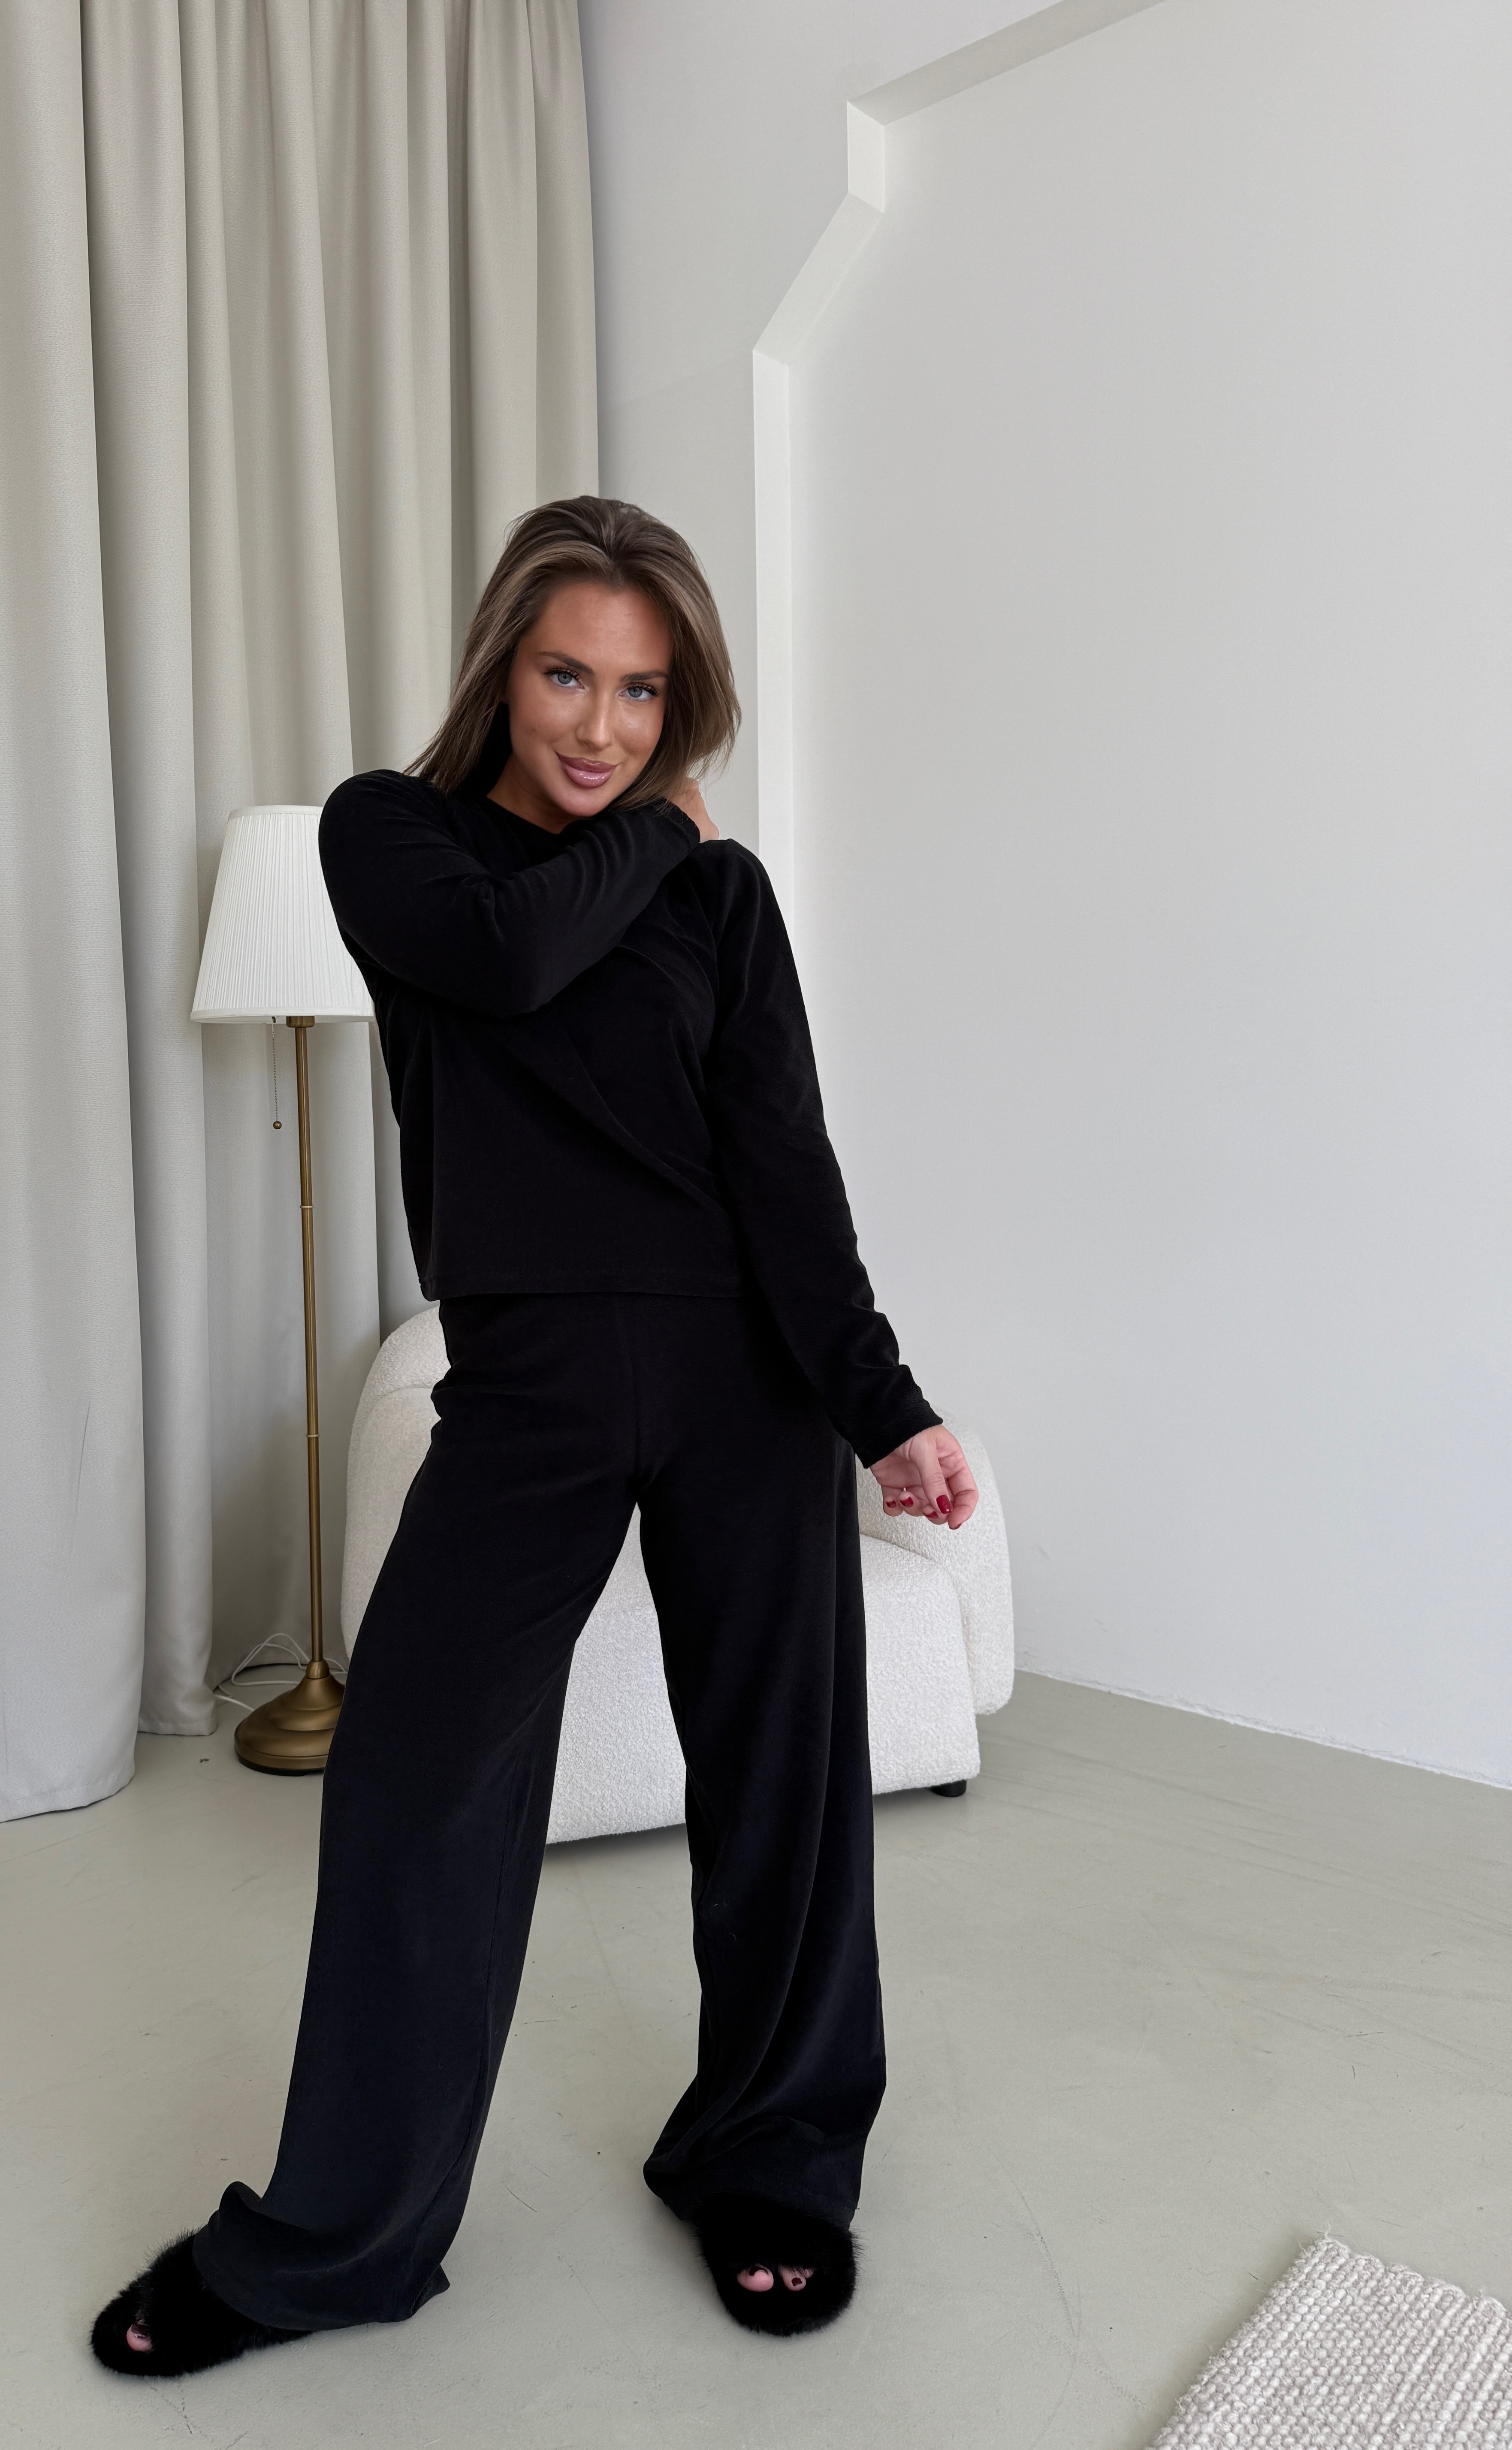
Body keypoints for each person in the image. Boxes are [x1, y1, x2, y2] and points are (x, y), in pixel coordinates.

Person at [92, 497, 977, 2378]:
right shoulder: (389, 839)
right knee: (416, 1791)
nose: (604, 726)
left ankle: (771, 2157)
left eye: (645, 694)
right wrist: (660, 832)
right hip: (524, 1388)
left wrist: (881, 1403)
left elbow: (784, 1168)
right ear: (504, 668)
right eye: (571, 677)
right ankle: (335, 2241)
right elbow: (505, 962)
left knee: (786, 1784)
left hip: (743, 1378)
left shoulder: (724, 901)